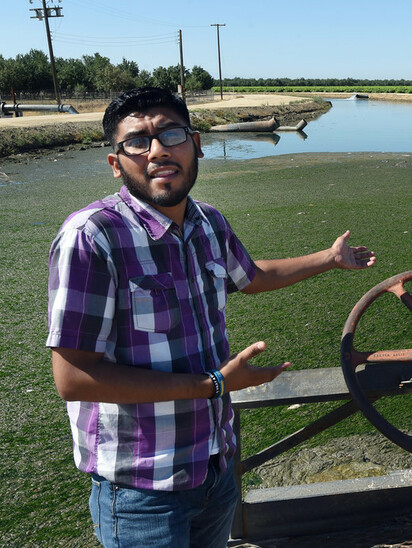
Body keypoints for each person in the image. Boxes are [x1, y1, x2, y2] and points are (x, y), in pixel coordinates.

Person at [46, 86, 376, 547]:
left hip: (215, 467)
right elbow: (75, 378)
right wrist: (215, 384)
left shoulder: (207, 222)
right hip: (143, 487)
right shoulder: (92, 237)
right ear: (115, 163)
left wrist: (328, 258)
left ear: (196, 144)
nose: (157, 150)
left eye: (170, 133)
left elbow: (251, 274)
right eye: (137, 141)